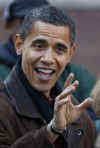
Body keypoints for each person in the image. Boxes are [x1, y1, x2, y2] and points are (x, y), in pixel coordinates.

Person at [0, 5, 97, 147]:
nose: (48, 58)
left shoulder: (79, 116)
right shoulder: (3, 108)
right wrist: (53, 131)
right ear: (19, 45)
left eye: (59, 49)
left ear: (70, 53)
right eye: (39, 46)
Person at [0, 0, 49, 80]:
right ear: (8, 25)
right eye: (27, 21)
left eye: (44, 21)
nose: (36, 29)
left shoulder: (67, 72)